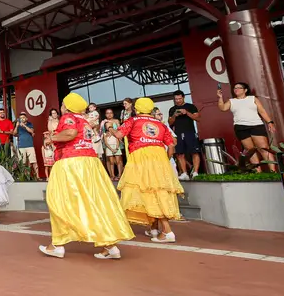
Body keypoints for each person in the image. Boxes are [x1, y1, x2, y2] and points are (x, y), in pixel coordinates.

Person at [39, 93, 134, 260]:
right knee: (93, 202)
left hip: (72, 162)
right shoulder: (85, 121)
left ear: (67, 106)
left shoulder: (68, 116)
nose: (61, 107)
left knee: (60, 201)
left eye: (62, 104)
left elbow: (70, 134)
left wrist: (51, 138)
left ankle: (57, 245)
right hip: (90, 163)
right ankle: (111, 247)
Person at [110, 97, 183, 244]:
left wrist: (110, 128)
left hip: (140, 158)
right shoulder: (160, 124)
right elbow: (171, 146)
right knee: (155, 191)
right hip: (159, 158)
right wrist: (166, 160)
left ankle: (167, 231)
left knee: (149, 192)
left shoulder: (133, 120)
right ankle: (154, 228)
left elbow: (118, 135)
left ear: (137, 109)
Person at [217, 82, 277, 170]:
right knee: (250, 151)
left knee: (264, 149)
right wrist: (220, 97)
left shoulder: (253, 98)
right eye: (235, 88)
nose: (236, 89)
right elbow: (223, 108)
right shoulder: (231, 101)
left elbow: (262, 111)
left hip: (256, 125)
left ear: (245, 90)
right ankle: (258, 173)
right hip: (240, 127)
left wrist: (269, 122)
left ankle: (273, 172)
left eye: (239, 88)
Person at [168, 90, 201, 181]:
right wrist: (175, 115)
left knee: (194, 152)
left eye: (179, 98)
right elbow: (170, 122)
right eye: (176, 99)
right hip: (178, 133)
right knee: (179, 154)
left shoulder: (190, 106)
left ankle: (196, 172)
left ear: (183, 97)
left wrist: (187, 113)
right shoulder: (172, 109)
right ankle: (184, 173)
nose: (178, 101)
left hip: (190, 132)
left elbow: (198, 118)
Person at [100, 108, 124, 181]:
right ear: (105, 114)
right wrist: (106, 133)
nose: (109, 114)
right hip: (107, 141)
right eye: (107, 113)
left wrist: (112, 132)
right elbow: (101, 131)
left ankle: (120, 174)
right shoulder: (103, 122)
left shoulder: (116, 121)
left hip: (116, 139)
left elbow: (120, 129)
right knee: (109, 160)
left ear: (113, 114)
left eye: (110, 113)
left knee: (118, 159)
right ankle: (111, 175)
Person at [13, 112, 38, 179]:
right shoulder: (18, 126)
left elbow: (32, 131)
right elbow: (14, 134)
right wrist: (16, 126)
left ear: (26, 118)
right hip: (21, 146)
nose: (22, 119)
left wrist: (24, 126)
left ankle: (37, 177)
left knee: (33, 161)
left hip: (30, 145)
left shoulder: (30, 124)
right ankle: (23, 177)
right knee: (22, 163)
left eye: (23, 117)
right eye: (21, 118)